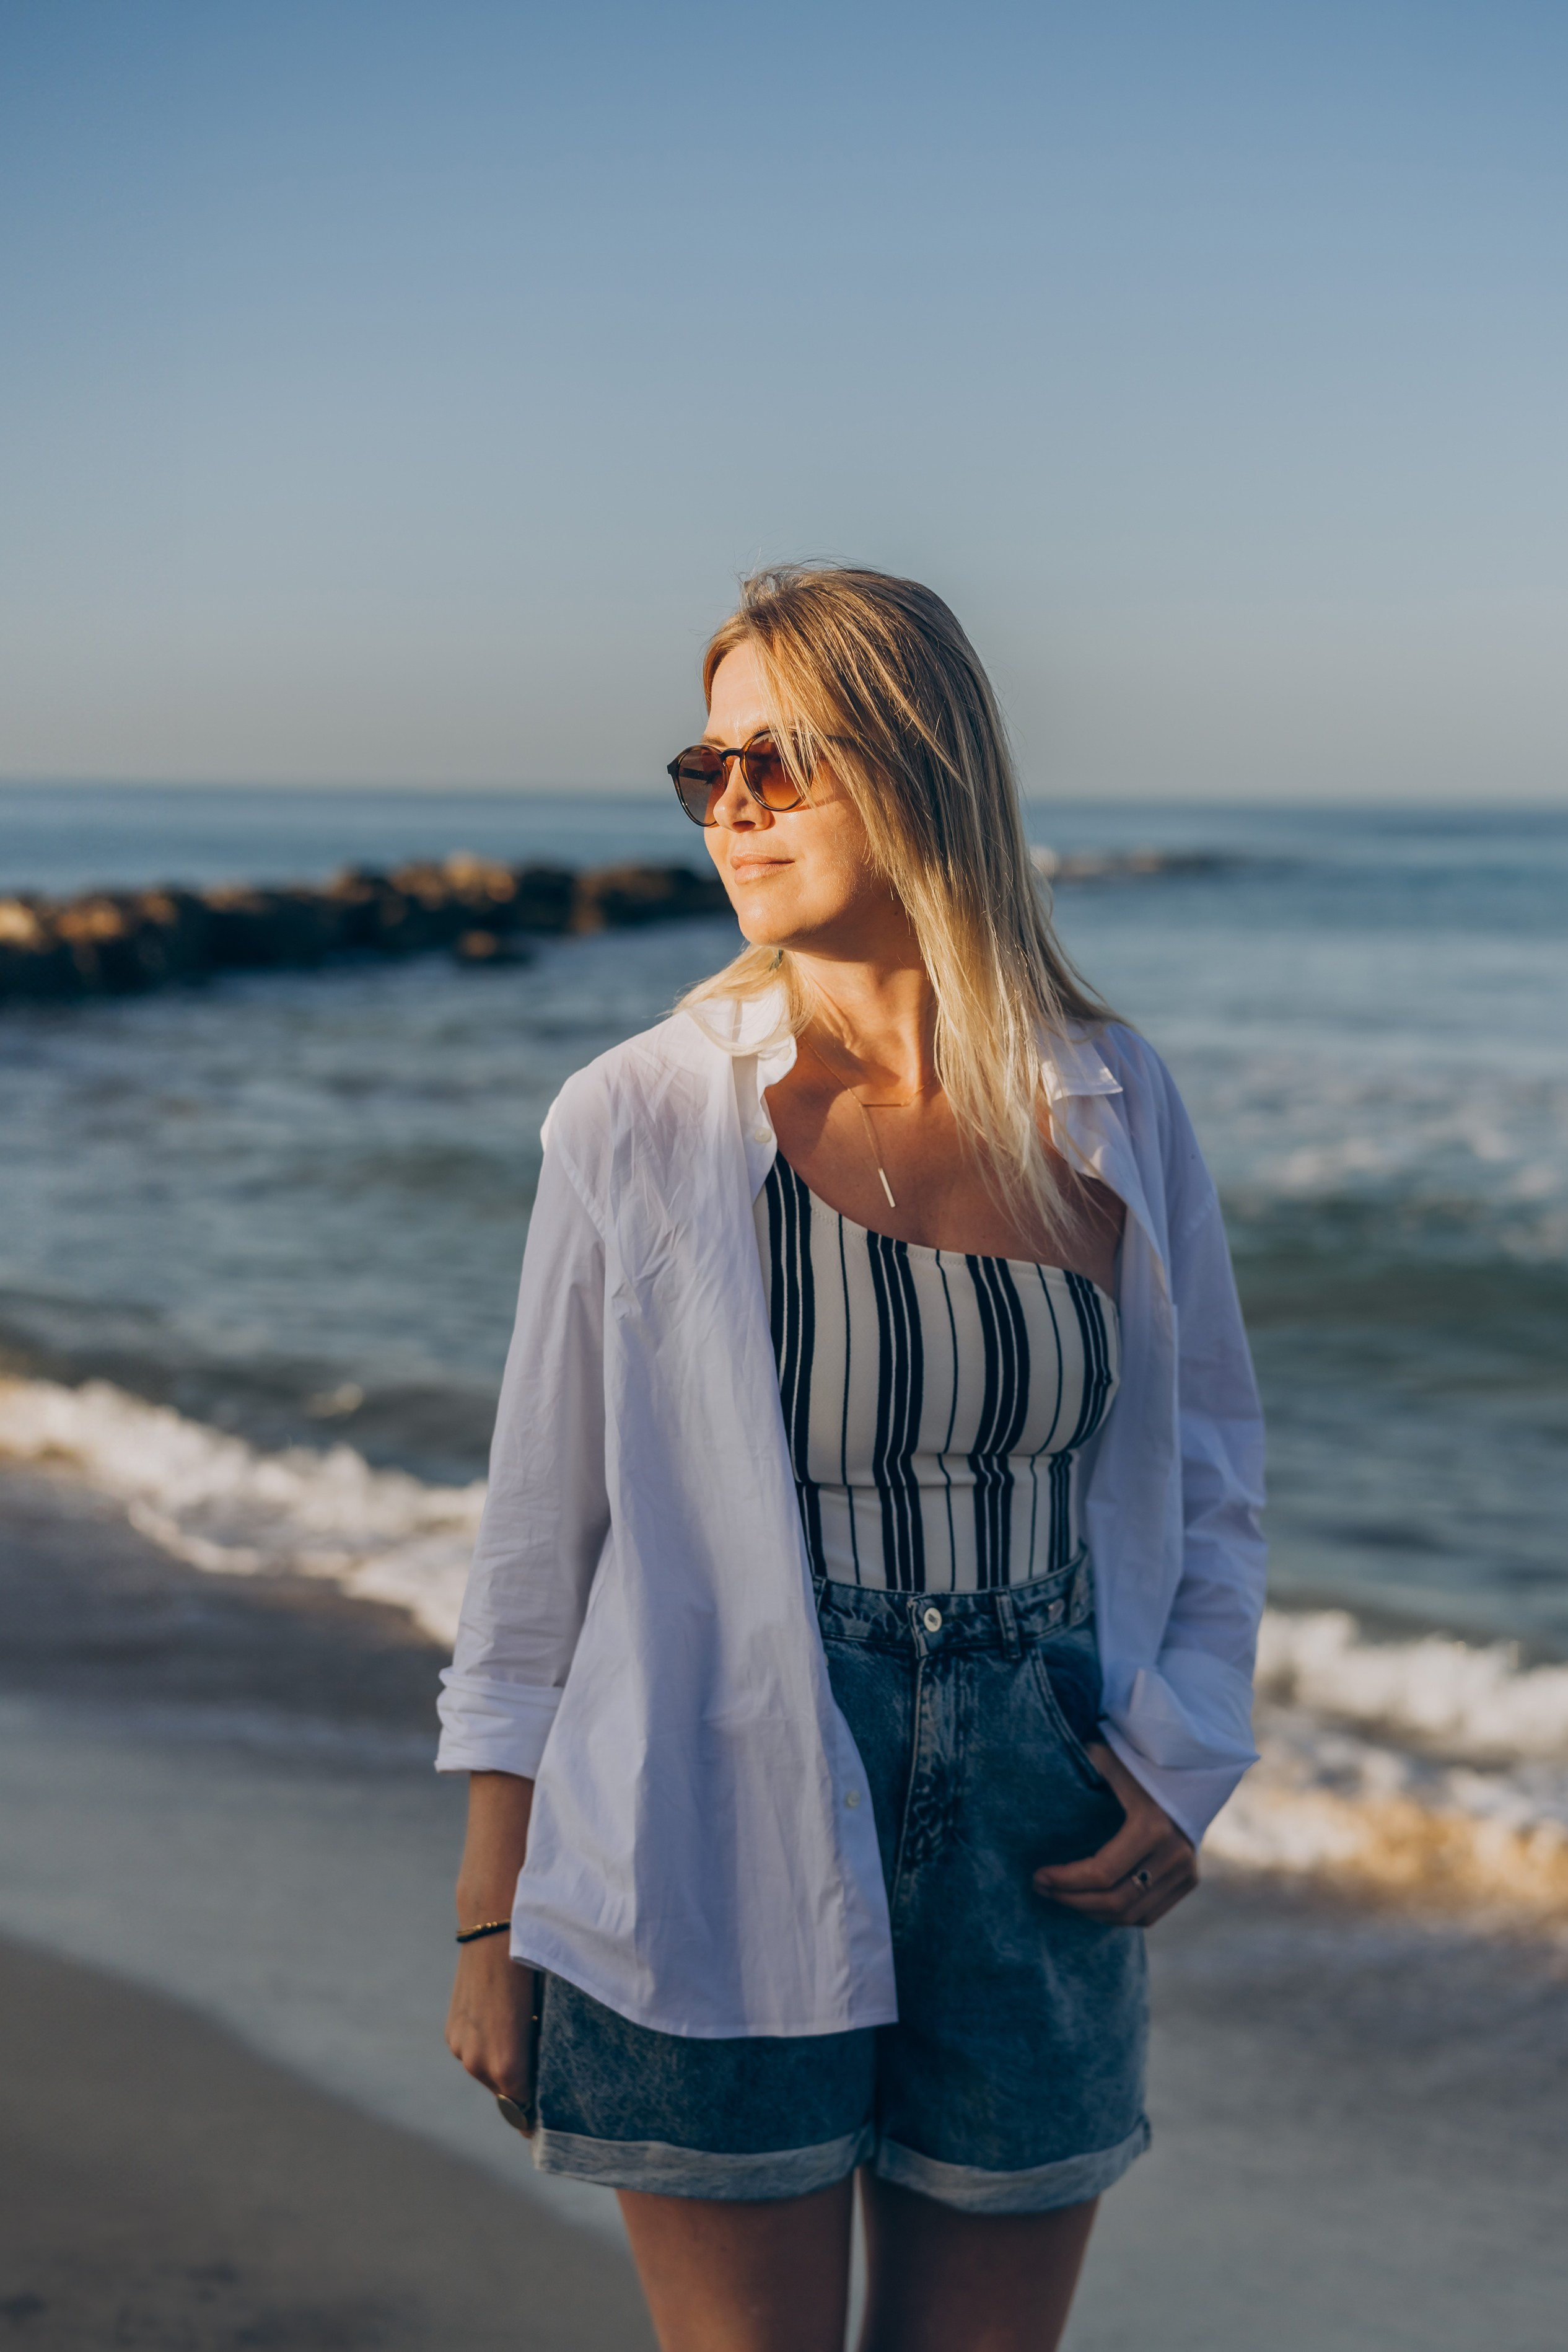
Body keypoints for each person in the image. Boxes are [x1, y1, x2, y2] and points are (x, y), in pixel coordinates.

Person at [439, 565, 1266, 2352]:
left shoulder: (1108, 1098)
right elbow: (536, 1534)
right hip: (704, 1798)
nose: (729, 807)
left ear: (917, 764)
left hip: (1039, 1820)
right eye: (704, 767)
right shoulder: (639, 1119)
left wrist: (1183, 1753)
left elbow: (1207, 1467)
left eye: (778, 762)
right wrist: (487, 1918)